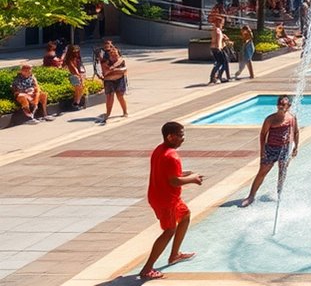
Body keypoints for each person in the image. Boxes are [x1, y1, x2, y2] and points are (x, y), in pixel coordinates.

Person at [139, 122, 204, 280]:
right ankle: (147, 269)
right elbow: (174, 181)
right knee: (169, 230)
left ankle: (174, 254)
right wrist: (193, 179)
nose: (183, 138)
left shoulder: (160, 149)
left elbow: (168, 173)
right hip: (166, 200)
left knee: (185, 216)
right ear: (170, 137)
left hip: (165, 197)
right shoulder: (172, 156)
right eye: (180, 135)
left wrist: (184, 173)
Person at [240, 95, 299, 207]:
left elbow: (296, 132)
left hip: (285, 149)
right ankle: (251, 196)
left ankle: (279, 194)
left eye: (283, 104)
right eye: (279, 104)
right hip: (271, 148)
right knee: (262, 172)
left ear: (289, 106)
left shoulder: (292, 118)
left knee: (282, 172)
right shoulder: (270, 119)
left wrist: (296, 147)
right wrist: (263, 150)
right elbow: (263, 135)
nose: (280, 106)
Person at [99, 45, 128, 125]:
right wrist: (113, 70)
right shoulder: (105, 61)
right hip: (109, 81)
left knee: (120, 96)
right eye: (113, 55)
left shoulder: (121, 60)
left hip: (119, 79)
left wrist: (114, 70)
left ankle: (125, 111)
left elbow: (124, 70)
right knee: (109, 97)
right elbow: (105, 72)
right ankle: (108, 114)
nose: (115, 56)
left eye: (116, 55)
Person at [63, 46, 88, 110]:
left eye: (77, 51)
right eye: (75, 51)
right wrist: (80, 76)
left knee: (79, 90)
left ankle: (76, 103)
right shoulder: (70, 60)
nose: (76, 52)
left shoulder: (75, 58)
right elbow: (74, 68)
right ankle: (76, 103)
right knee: (79, 89)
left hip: (77, 75)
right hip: (75, 76)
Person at [208, 16, 231, 85]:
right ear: (219, 23)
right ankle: (215, 77)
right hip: (217, 48)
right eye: (222, 23)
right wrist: (219, 47)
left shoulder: (215, 30)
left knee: (220, 63)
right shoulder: (217, 30)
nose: (223, 24)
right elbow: (218, 38)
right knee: (222, 63)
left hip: (214, 48)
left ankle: (216, 77)